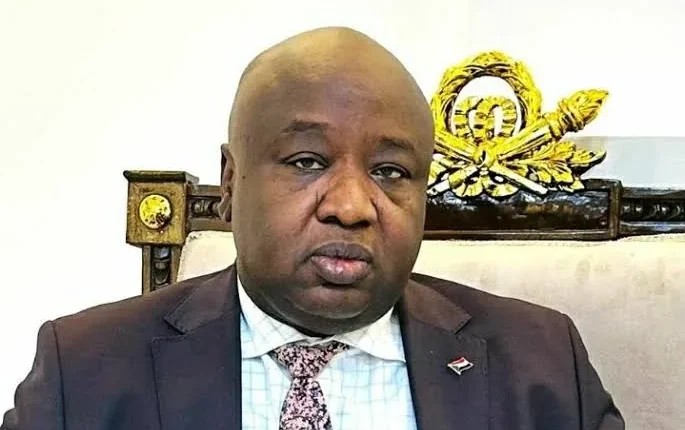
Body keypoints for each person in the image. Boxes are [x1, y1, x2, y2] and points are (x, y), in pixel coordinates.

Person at [2, 27, 624, 430]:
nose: (352, 206)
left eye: (390, 171)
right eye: (306, 161)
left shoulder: (542, 366)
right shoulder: (85, 373)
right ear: (230, 182)